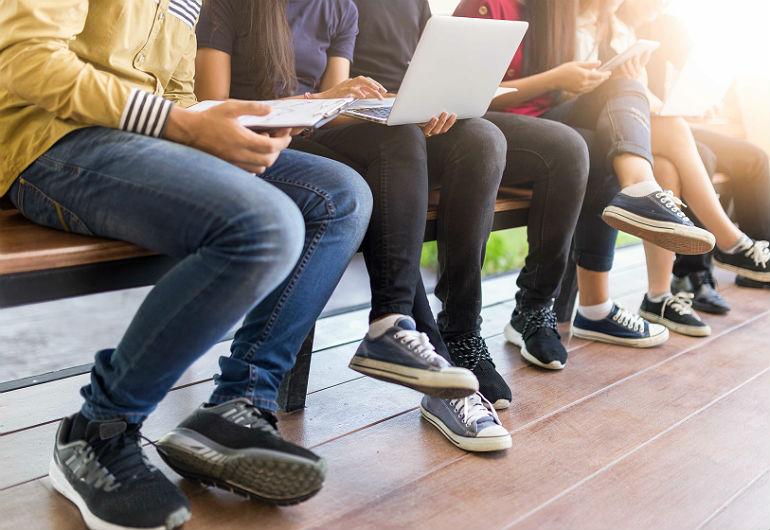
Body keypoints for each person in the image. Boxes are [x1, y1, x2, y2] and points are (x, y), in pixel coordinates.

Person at [0, 1, 373, 528]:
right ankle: (98, 429)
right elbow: (25, 61)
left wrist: (236, 125)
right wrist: (180, 123)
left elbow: (178, 97)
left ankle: (236, 405)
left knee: (340, 195)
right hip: (52, 142)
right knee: (266, 225)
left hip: (146, 140)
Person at [195, 0, 513, 452]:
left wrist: (395, 110)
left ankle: (396, 325)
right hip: (255, 145)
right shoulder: (229, 5)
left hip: (311, 137)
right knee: (378, 183)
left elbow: (332, 112)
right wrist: (318, 101)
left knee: (410, 139)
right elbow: (216, 110)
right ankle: (429, 359)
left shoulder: (339, 8)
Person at [455, 0, 673, 355]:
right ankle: (538, 306)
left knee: (621, 99)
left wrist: (584, 82)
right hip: (490, 128)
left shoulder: (549, 11)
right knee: (577, 147)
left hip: (546, 120)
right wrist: (557, 78)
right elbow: (469, 96)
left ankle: (640, 190)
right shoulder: (485, 7)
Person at [579, 0, 770, 336]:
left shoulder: (638, 29)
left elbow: (642, 94)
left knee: (673, 161)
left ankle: (659, 296)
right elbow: (610, 93)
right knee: (683, 145)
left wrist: (686, 104)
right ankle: (730, 245)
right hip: (620, 124)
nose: (660, 6)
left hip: (650, 122)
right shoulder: (597, 24)